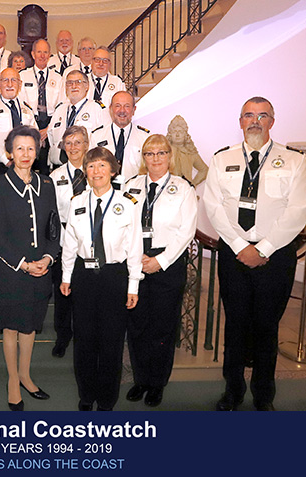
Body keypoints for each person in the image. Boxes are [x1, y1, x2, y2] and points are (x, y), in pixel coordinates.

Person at [203, 97, 306, 411]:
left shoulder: (293, 161)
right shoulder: (222, 159)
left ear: (272, 122)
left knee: (267, 327)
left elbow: (298, 210)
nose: (255, 121)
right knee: (235, 325)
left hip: (274, 256)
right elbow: (213, 205)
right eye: (249, 115)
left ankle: (264, 396)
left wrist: (262, 249)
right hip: (234, 255)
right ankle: (233, 391)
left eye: (262, 115)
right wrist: (241, 247)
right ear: (240, 121)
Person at [60, 147, 142, 411]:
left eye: (102, 166)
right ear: (85, 171)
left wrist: (133, 284)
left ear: (113, 171)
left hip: (113, 276)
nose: (96, 171)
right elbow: (70, 243)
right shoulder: (77, 202)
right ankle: (86, 394)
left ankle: (107, 399)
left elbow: (135, 247)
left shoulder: (127, 204)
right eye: (91, 166)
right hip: (84, 275)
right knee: (84, 339)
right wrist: (66, 275)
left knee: (111, 340)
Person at [0, 125, 59, 411]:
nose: (25, 153)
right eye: (19, 148)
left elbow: (54, 228)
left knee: (30, 327)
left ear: (37, 152)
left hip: (41, 269)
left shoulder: (47, 184)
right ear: (10, 152)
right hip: (11, 270)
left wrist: (48, 258)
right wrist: (24, 264)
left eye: (30, 148)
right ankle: (13, 381)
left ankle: (26, 375)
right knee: (11, 328)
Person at [123, 134, 197, 407]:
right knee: (137, 324)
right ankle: (140, 379)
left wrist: (160, 261)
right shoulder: (130, 186)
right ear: (143, 158)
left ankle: (156, 382)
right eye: (150, 153)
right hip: (135, 260)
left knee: (162, 327)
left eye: (161, 153)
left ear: (170, 156)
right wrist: (134, 257)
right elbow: (122, 223)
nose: (155, 158)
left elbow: (186, 231)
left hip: (168, 264)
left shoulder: (183, 188)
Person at [0, 68, 38, 282]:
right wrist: (8, 159)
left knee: (21, 217)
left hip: (23, 169)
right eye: (5, 80)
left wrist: (24, 159)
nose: (10, 84)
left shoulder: (27, 109)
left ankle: (22, 263)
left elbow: (34, 137)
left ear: (20, 84)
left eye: (14, 80)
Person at [49, 126, 90, 358]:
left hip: (91, 242)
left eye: (78, 142)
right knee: (63, 293)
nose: (73, 147)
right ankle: (62, 336)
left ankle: (84, 337)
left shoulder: (96, 171)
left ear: (87, 145)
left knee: (85, 293)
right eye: (69, 143)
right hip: (64, 240)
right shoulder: (55, 177)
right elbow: (51, 213)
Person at [19, 38, 65, 174]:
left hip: (50, 124)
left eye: (45, 52)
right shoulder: (23, 76)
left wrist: (48, 128)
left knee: (48, 168)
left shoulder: (58, 78)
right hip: (30, 123)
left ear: (49, 54)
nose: (42, 55)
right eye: (39, 52)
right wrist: (33, 128)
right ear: (33, 54)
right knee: (28, 166)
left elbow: (61, 106)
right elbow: (21, 105)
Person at [47, 69, 110, 168]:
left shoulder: (97, 108)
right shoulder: (59, 109)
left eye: (78, 82)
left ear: (87, 86)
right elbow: (51, 138)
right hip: (59, 166)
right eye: (69, 83)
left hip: (86, 166)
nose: (73, 86)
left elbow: (105, 139)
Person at [90, 90, 150, 188]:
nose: (122, 110)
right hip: (103, 191)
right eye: (117, 106)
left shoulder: (145, 138)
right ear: (110, 109)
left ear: (134, 110)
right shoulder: (96, 136)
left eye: (127, 106)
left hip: (134, 191)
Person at [166, 115, 209, 187]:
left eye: (180, 132)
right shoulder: (164, 152)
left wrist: (192, 184)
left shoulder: (190, 152)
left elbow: (204, 170)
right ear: (170, 134)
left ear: (185, 134)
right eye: (174, 131)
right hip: (167, 191)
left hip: (186, 191)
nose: (177, 135)